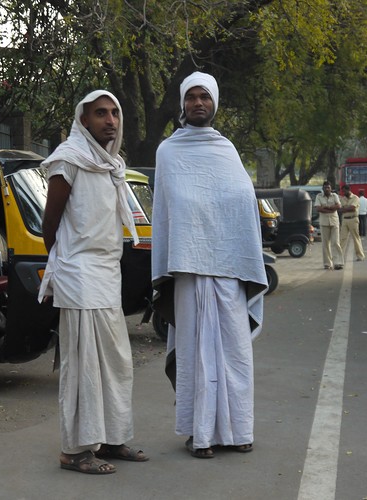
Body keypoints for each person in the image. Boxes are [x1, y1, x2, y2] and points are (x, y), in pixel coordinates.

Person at [152, 72, 267, 459]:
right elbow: (169, 211)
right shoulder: (168, 151)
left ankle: (239, 431)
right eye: (191, 97)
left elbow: (241, 203)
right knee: (194, 353)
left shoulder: (227, 150)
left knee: (234, 352)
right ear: (182, 104)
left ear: (214, 103)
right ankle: (198, 434)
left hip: (230, 268)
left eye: (205, 97)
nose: (198, 103)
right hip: (187, 269)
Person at [38, 90, 148, 475]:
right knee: (83, 365)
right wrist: (68, 266)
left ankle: (112, 440)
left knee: (115, 363)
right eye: (100, 113)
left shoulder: (111, 164)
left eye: (115, 112)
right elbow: (48, 227)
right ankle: (75, 451)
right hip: (79, 275)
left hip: (106, 273)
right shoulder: (68, 160)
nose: (110, 120)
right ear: (83, 120)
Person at [314, 181, 344, 270]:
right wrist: (331, 209)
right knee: (325, 244)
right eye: (325, 187)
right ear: (323, 188)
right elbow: (318, 208)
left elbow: (338, 206)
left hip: (334, 222)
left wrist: (327, 207)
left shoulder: (335, 196)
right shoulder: (319, 196)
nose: (327, 189)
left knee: (335, 242)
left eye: (328, 187)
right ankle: (327, 264)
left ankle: (338, 263)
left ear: (331, 188)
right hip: (324, 223)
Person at [340, 184, 365, 261]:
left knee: (356, 238)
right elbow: (340, 209)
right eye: (343, 191)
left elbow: (353, 208)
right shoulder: (343, 199)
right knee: (342, 239)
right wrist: (347, 208)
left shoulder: (355, 198)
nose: (344, 193)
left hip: (353, 219)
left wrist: (345, 208)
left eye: (344, 191)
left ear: (348, 190)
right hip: (344, 220)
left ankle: (360, 256)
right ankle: (339, 256)